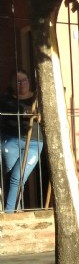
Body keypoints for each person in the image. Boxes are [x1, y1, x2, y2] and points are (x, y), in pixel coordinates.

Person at [1, 69, 43, 212]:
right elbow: (10, 111)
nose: (22, 83)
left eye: (24, 80)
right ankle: (17, 213)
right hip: (10, 141)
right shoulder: (6, 100)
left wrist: (37, 114)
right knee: (10, 178)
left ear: (29, 81)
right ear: (12, 83)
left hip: (33, 142)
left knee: (17, 178)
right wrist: (28, 112)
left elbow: (44, 116)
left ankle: (9, 212)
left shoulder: (37, 98)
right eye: (18, 81)